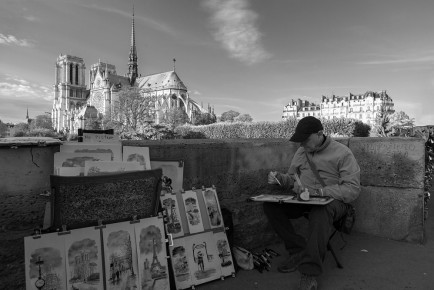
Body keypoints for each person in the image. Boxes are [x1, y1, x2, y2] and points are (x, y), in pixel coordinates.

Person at [264, 116, 361, 290]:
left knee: (320, 211)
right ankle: (298, 250)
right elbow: (293, 180)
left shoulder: (343, 153)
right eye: (300, 141)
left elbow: (352, 189)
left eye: (305, 140)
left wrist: (320, 193)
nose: (302, 145)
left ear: (319, 133)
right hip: (304, 199)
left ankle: (309, 273)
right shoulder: (302, 151)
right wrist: (279, 179)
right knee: (271, 205)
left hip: (333, 201)